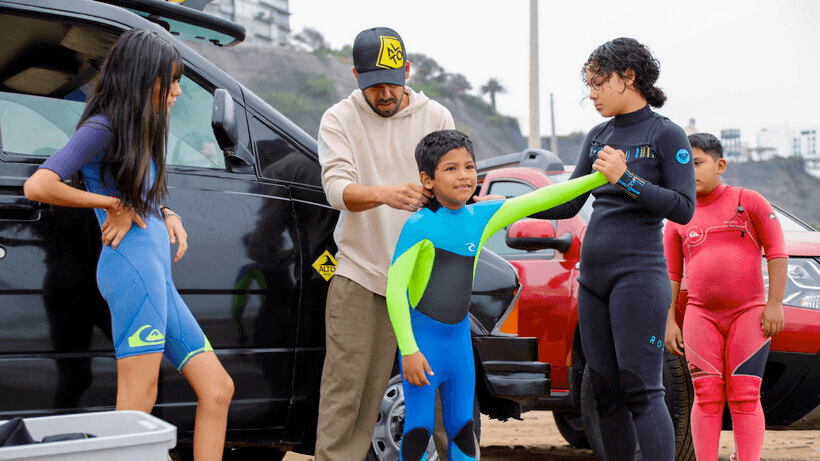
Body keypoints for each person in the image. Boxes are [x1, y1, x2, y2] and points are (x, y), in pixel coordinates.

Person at [23, 29, 234, 461]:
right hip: (132, 272)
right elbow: (38, 184)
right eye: (171, 81)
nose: (178, 91)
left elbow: (143, 195)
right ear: (143, 78)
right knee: (136, 404)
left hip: (156, 276)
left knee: (217, 389)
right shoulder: (104, 127)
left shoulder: (143, 130)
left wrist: (169, 215)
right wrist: (110, 204)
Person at [387, 130, 607, 461]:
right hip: (424, 344)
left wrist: (599, 176)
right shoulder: (418, 226)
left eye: (469, 166)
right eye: (450, 169)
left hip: (459, 344)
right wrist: (408, 350)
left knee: (463, 425)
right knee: (418, 426)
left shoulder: (479, 218)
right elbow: (395, 290)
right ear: (427, 180)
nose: (463, 176)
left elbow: (541, 199)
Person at [530, 37, 696, 460]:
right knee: (603, 390)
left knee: (641, 388)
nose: (592, 93)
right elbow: (568, 202)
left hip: (638, 275)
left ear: (628, 77)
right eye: (588, 84)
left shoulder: (665, 133)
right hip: (593, 278)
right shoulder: (598, 134)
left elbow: (683, 208)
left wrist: (627, 179)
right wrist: (498, 208)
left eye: (599, 81)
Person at [315, 26, 457, 461]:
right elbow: (336, 189)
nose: (383, 93)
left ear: (408, 71)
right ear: (355, 75)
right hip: (363, 276)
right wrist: (387, 193)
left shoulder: (437, 117)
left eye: (392, 82)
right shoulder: (339, 118)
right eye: (372, 84)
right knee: (347, 399)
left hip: (428, 284)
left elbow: (457, 186)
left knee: (444, 401)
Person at [664, 133, 787, 461]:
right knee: (706, 395)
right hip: (700, 314)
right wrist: (669, 321)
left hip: (749, 312)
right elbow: (672, 275)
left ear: (720, 165)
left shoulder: (750, 201)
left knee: (745, 394)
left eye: (697, 162)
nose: (689, 171)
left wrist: (775, 303)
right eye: (682, 164)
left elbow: (777, 251)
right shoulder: (677, 215)